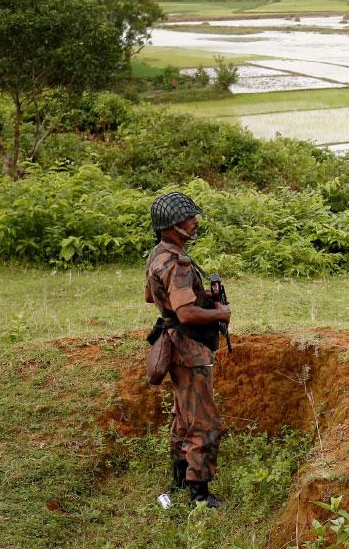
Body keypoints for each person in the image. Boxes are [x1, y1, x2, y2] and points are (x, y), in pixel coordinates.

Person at [145, 191, 231, 509]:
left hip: (173, 343)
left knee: (184, 417)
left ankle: (179, 484)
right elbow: (187, 314)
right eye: (189, 218)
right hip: (189, 348)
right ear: (172, 225)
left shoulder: (158, 254)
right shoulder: (178, 262)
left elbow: (151, 297)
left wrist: (199, 293)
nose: (194, 222)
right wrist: (219, 312)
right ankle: (199, 495)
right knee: (204, 423)